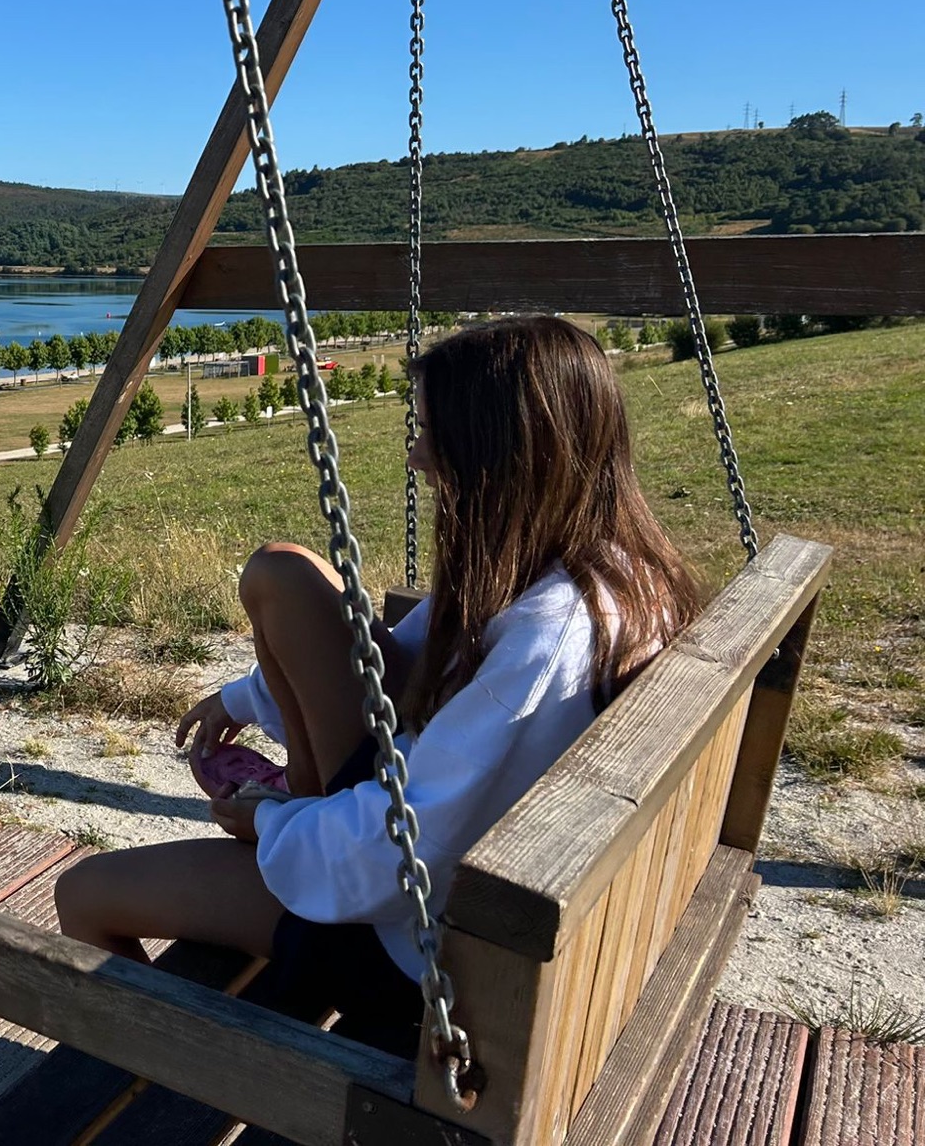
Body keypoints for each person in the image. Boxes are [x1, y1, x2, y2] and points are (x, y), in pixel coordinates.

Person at [54, 316, 699, 1053]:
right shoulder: (603, 577)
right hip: (466, 903)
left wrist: (271, 823)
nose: (417, 455)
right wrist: (244, 700)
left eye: (433, 434)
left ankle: (182, 1084)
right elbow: (406, 658)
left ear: (499, 453)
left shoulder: (547, 639)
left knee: (84, 894)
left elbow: (404, 850)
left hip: (415, 945)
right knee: (286, 576)